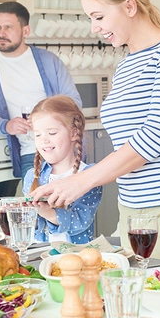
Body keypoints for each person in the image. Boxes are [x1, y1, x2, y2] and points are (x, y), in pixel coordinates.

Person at [31, 0, 160, 260]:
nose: (94, 27)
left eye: (98, 16)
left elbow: (154, 137)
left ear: (128, 5)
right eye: (90, 18)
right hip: (132, 208)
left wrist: (82, 181)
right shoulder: (125, 65)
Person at [0, 2, 81, 181]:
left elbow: (73, 101)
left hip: (64, 151)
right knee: (36, 207)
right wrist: (7, 126)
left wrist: (47, 117)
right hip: (30, 154)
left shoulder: (48, 61)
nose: (1, 33)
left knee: (72, 206)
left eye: (8, 27)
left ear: (26, 31)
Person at [23, 95, 102, 244]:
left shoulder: (88, 175)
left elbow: (81, 221)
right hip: (39, 256)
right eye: (37, 134)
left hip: (77, 258)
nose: (43, 140)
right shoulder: (32, 176)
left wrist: (49, 213)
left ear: (73, 133)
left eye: (52, 133)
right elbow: (30, 226)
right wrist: (19, 212)